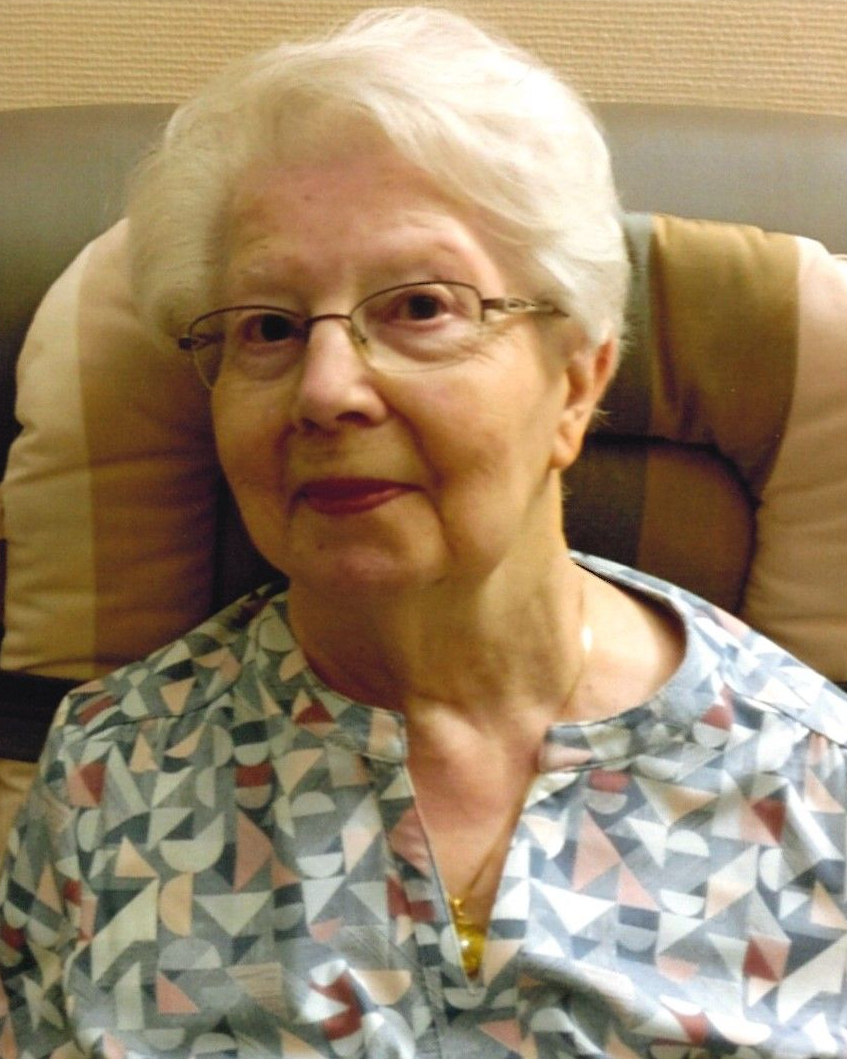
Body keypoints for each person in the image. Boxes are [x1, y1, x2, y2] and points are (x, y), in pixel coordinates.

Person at [2, 7, 846, 1057]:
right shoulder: (110, 773)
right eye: (267, 326)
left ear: (577, 382)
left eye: (419, 308)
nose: (326, 389)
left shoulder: (816, 787)